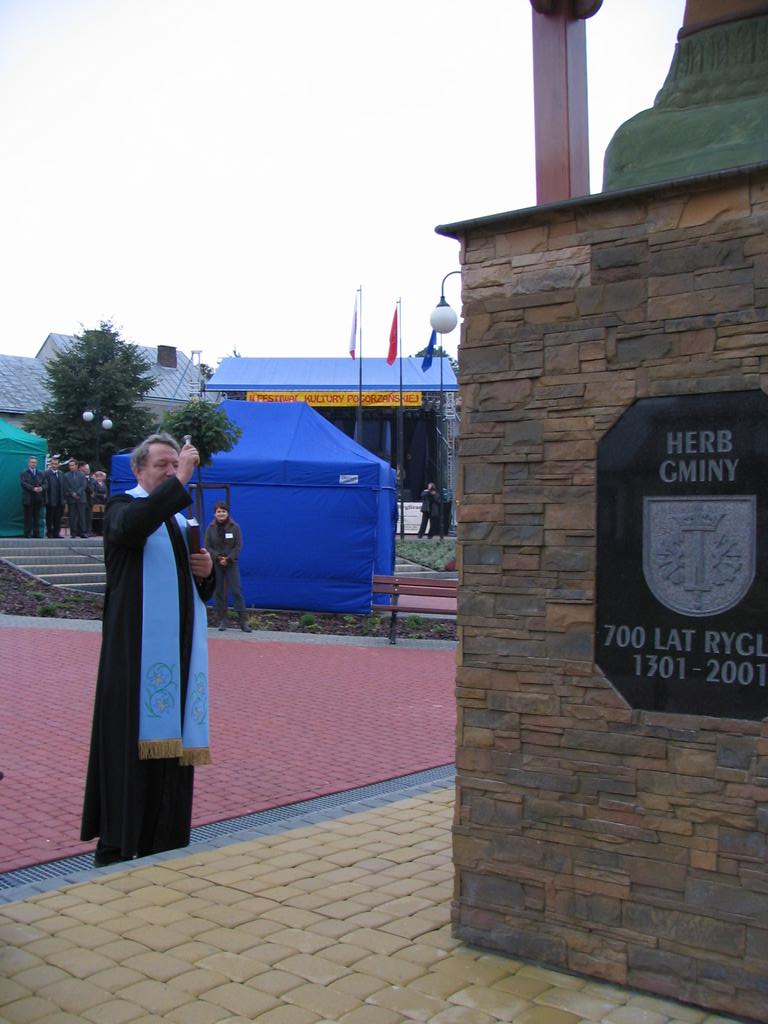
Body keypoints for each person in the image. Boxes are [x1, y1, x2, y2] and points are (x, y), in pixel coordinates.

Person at [80, 433, 215, 867]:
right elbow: (133, 527)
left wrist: (206, 573)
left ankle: (166, 840)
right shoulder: (124, 508)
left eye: (176, 464)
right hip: (133, 659)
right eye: (162, 465)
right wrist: (182, 482)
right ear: (138, 470)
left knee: (171, 757)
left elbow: (190, 592)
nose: (172, 471)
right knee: (129, 750)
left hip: (177, 655)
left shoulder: (178, 522)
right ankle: (118, 846)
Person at [204, 501, 252, 632]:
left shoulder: (235, 527)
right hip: (216, 563)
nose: (221, 514)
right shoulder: (210, 528)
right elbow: (207, 546)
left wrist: (229, 558)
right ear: (215, 514)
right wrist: (218, 557)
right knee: (218, 591)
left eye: (223, 511)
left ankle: (243, 621)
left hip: (231, 563)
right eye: (219, 511)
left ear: (227, 513)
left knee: (236, 590)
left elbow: (238, 545)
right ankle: (222, 620)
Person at [20, 455, 45, 538]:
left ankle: (36, 534)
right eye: (32, 462)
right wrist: (33, 488)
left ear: (37, 463)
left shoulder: (41, 473)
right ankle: (27, 533)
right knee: (28, 518)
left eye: (35, 462)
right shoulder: (24, 472)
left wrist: (41, 488)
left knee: (37, 517)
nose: (33, 464)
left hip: (38, 499)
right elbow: (23, 483)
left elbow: (46, 483)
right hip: (28, 499)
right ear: (28, 463)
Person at [43, 456, 67, 538]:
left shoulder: (61, 473)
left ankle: (57, 533)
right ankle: (49, 532)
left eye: (56, 464)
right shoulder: (46, 473)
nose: (54, 465)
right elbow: (45, 487)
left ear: (58, 465)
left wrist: (64, 499)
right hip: (50, 500)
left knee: (58, 518)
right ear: (50, 464)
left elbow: (63, 486)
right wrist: (46, 499)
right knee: (50, 517)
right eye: (52, 464)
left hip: (60, 500)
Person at [63, 458, 87, 537]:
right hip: (71, 498)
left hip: (81, 498)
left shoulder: (82, 474)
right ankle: (73, 533)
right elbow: (66, 486)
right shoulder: (66, 475)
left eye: (72, 465)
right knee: (72, 516)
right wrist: (72, 493)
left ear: (76, 466)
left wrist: (78, 493)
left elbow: (83, 485)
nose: (71, 467)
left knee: (81, 516)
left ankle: (82, 532)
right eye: (70, 466)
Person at [89, 470, 109, 536]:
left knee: (101, 517)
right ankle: (95, 530)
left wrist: (105, 496)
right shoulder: (94, 483)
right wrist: (101, 495)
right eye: (99, 477)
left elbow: (106, 491)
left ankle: (101, 530)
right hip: (96, 502)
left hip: (102, 502)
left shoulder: (103, 483)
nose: (100, 478)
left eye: (101, 477)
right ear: (97, 477)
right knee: (95, 517)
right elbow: (93, 493)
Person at [81, 462, 95, 536]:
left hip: (90, 501)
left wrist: (91, 490)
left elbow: (92, 488)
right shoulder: (82, 478)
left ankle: (89, 531)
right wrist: (91, 490)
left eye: (88, 469)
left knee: (89, 517)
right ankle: (84, 531)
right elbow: (86, 488)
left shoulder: (92, 479)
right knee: (84, 517)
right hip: (83, 499)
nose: (87, 470)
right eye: (86, 469)